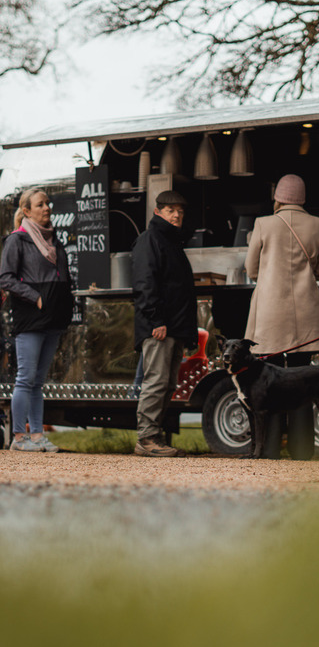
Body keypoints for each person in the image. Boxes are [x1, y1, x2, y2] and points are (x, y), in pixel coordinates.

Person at [244, 174, 319, 459]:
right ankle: (302, 449)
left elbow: (251, 268)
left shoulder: (263, 224)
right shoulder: (317, 224)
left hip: (270, 313)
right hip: (305, 313)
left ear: (278, 198)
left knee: (267, 384)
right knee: (303, 381)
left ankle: (269, 449)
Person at [0, 188, 74, 452]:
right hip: (31, 319)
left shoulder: (55, 241)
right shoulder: (17, 241)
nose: (47, 207)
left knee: (37, 382)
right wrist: (36, 297)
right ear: (27, 210)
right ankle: (19, 438)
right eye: (40, 204)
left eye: (48, 203)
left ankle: (37, 437)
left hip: (53, 320)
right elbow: (5, 278)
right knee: (25, 378)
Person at [131, 190, 198, 457]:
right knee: (157, 381)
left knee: (167, 383)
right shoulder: (150, 240)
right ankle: (146, 439)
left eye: (180, 210)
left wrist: (186, 333)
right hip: (158, 327)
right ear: (157, 212)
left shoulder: (173, 242)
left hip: (174, 327)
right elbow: (144, 283)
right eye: (171, 210)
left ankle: (154, 437)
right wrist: (155, 319)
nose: (177, 214)